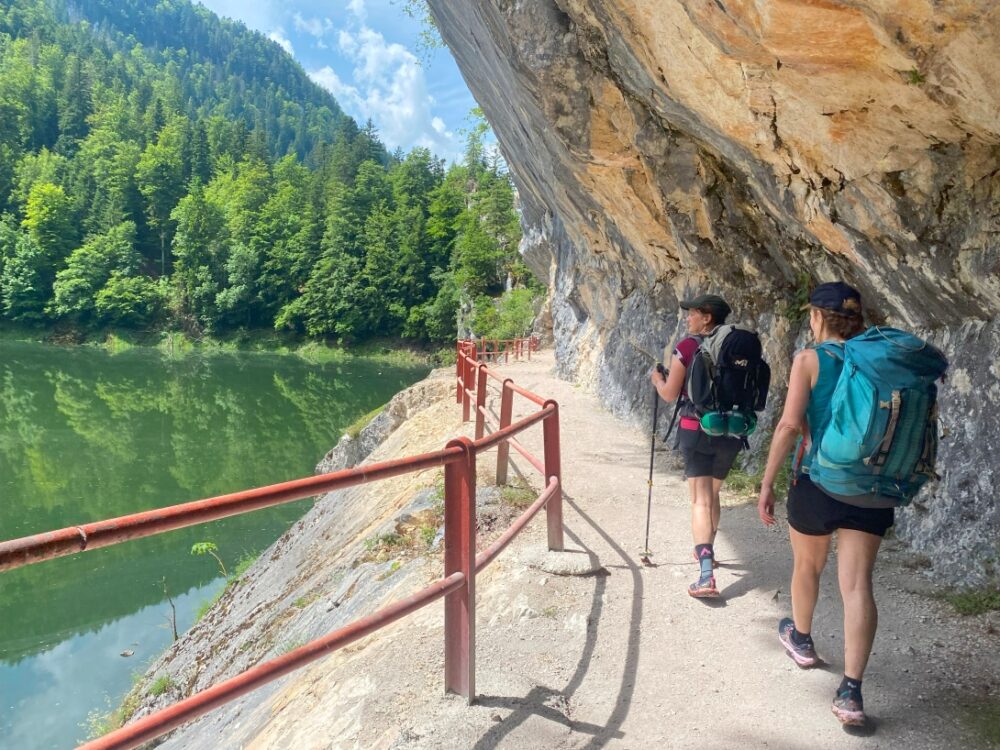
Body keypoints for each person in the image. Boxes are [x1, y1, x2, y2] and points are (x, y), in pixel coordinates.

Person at [756, 281, 892, 727]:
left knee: (807, 566)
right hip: (872, 487)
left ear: (817, 317)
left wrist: (766, 483)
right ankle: (851, 693)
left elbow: (790, 424)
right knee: (857, 585)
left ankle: (802, 638)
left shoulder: (810, 358)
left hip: (817, 482)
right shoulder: (881, 359)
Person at [651, 293, 743, 599]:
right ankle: (709, 552)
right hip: (732, 430)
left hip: (697, 429)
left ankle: (706, 576)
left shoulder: (688, 347)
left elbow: (669, 393)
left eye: (693, 313)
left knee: (700, 500)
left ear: (707, 317)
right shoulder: (737, 345)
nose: (688, 318)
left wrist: (656, 379)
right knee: (712, 494)